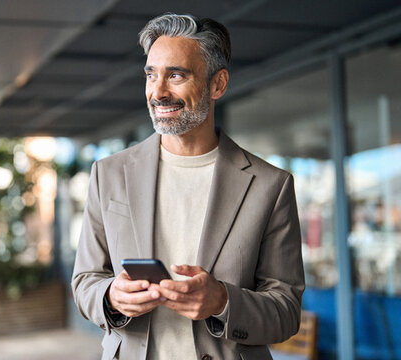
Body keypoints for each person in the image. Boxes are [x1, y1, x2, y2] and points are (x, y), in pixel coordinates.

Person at [71, 13, 304, 360]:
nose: (158, 92)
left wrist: (223, 301)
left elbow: (286, 311)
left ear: (218, 84)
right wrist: (110, 297)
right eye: (151, 75)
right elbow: (85, 281)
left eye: (176, 75)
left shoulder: (271, 186)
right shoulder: (109, 174)